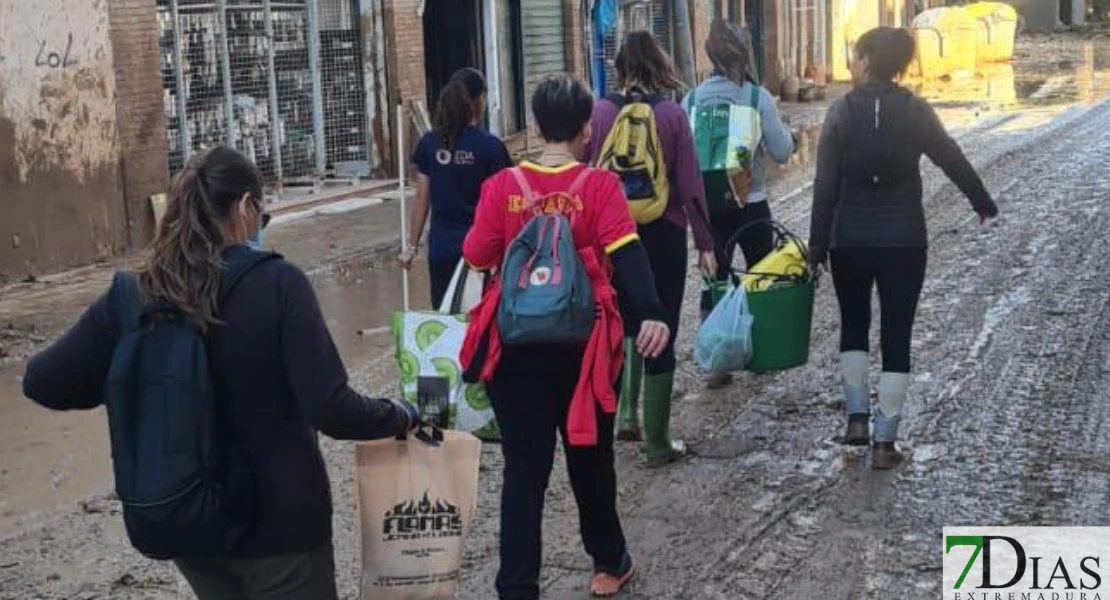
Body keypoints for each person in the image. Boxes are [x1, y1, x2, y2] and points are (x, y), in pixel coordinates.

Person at [22, 147, 417, 599]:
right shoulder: (279, 285)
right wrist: (399, 414)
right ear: (245, 207)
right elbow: (332, 408)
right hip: (282, 530)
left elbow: (43, 382)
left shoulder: (138, 294)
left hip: (193, 525)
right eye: (262, 215)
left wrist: (130, 378)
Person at [461, 75, 669, 599]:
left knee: (524, 469)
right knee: (589, 457)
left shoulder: (502, 187)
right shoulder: (600, 187)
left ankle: (517, 586)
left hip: (515, 348)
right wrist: (652, 315)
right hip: (585, 350)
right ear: (586, 130)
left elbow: (477, 256)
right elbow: (628, 255)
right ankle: (606, 563)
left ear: (534, 126)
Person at [808, 27, 998, 469]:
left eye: (857, 57)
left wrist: (817, 248)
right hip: (904, 241)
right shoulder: (916, 111)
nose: (853, 64)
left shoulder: (840, 113)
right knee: (897, 335)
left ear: (870, 61)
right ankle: (884, 443)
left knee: (853, 323)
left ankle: (857, 419)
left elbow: (824, 187)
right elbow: (951, 157)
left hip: (849, 241)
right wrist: (982, 202)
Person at [585, 31, 715, 465]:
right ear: (660, 65)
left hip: (613, 235)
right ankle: (657, 443)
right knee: (661, 325)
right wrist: (705, 243)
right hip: (663, 232)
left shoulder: (601, 112)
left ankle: (625, 415)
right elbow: (690, 185)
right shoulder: (673, 115)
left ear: (620, 68)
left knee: (622, 321)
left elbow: (590, 173)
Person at [684, 21, 796, 389]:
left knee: (714, 278)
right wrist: (790, 138)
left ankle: (718, 361)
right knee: (760, 277)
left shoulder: (692, 99)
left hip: (708, 208)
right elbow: (780, 151)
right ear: (743, 55)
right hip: (752, 203)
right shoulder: (756, 97)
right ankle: (761, 355)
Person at [399, 68, 514, 308]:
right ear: (478, 100)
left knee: (445, 324)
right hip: (481, 252)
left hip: (441, 250)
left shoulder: (430, 144)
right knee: (479, 323)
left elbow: (422, 198)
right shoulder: (491, 148)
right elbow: (504, 204)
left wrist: (411, 247)